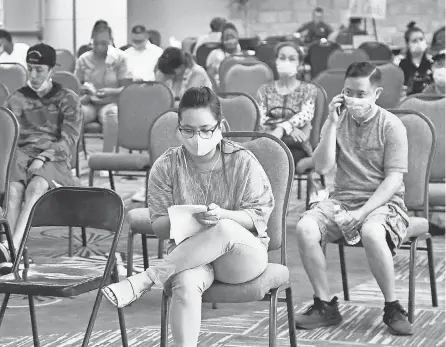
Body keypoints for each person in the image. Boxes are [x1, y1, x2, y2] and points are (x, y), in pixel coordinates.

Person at [102, 86, 274, 347]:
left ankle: (147, 279)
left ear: (221, 126)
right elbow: (159, 227)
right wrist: (187, 219)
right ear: (178, 129)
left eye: (206, 130)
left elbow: (259, 216)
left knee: (224, 229)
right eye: (189, 130)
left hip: (241, 257)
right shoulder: (166, 166)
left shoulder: (242, 161)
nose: (197, 137)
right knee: (183, 284)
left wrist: (222, 216)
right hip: (189, 257)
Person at [294, 62, 413, 336]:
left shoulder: (391, 125)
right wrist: (332, 124)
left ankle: (393, 307)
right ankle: (325, 305)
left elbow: (393, 181)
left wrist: (362, 214)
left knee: (372, 232)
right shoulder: (337, 119)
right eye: (348, 92)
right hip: (342, 200)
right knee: (305, 227)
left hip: (385, 203)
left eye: (361, 94)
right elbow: (322, 167)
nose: (354, 99)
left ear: (376, 93)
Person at [0, 43, 82, 263]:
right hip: (21, 155)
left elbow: (69, 140)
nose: (34, 75)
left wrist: (42, 157)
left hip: (54, 157)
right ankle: (9, 249)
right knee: (14, 190)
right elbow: (11, 139)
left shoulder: (68, 99)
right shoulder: (16, 99)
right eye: (30, 69)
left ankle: (12, 247)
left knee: (36, 186)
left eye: (40, 70)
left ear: (51, 70)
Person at [131, 48, 213, 203]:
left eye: (170, 73)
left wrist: (166, 102)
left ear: (181, 68)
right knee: (159, 130)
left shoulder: (198, 74)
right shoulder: (167, 73)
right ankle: (156, 185)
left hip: (196, 125)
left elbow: (190, 104)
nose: (168, 77)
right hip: (172, 121)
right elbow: (157, 95)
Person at [75, 24, 132, 154]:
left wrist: (110, 91)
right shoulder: (84, 59)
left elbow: (128, 89)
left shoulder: (120, 58)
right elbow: (76, 85)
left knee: (111, 114)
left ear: (110, 41)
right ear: (91, 40)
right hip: (90, 102)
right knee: (75, 113)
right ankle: (75, 158)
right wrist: (84, 89)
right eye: (96, 43)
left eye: (104, 43)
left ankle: (107, 156)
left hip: (112, 102)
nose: (100, 47)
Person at [256, 42, 317, 162]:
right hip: (269, 142)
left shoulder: (308, 89)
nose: (286, 62)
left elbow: (305, 115)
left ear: (299, 64)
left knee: (282, 160)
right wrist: (290, 129)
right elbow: (261, 119)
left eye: (292, 59)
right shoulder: (264, 90)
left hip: (297, 146)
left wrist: (282, 129)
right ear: (276, 61)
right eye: (282, 58)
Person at [399, 22, 433, 95]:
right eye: (414, 41)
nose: (419, 43)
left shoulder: (431, 62)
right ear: (408, 44)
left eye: (421, 39)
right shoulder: (402, 64)